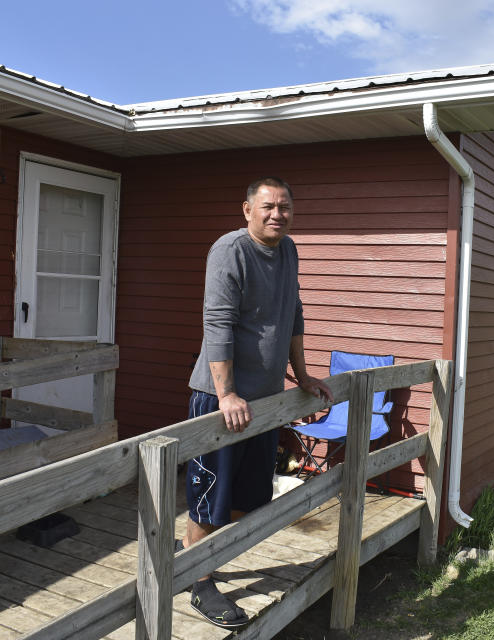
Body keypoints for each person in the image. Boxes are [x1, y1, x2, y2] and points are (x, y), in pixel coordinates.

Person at [182, 176, 333, 628]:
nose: (277, 214)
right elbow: (218, 322)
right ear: (247, 209)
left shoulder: (287, 250)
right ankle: (199, 579)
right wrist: (227, 392)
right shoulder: (229, 251)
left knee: (247, 497)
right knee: (210, 494)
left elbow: (294, 312)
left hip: (263, 402)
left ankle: (192, 553)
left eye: (285, 206)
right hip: (220, 400)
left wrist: (302, 375)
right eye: (267, 206)